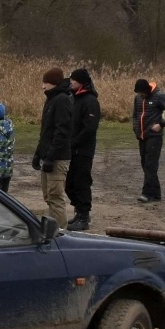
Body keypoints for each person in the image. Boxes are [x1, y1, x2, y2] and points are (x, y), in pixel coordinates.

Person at [31, 68, 74, 228]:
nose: (43, 86)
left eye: (46, 83)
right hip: (48, 155)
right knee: (49, 196)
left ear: (54, 83)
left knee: (55, 197)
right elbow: (46, 131)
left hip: (58, 158)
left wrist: (51, 157)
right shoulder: (51, 99)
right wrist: (38, 153)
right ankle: (53, 229)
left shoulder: (62, 100)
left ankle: (61, 233)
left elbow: (61, 131)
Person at [65, 68, 101, 232]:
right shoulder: (74, 98)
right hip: (72, 149)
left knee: (82, 183)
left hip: (83, 150)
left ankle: (83, 215)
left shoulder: (90, 100)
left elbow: (89, 128)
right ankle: (79, 210)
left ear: (81, 81)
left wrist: (74, 143)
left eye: (73, 79)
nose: (70, 81)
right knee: (69, 184)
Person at [133, 77, 165, 203]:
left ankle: (147, 193)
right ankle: (156, 193)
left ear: (147, 90)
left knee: (150, 164)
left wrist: (161, 124)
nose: (140, 95)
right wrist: (136, 128)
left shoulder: (160, 96)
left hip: (154, 136)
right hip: (141, 136)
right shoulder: (138, 98)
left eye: (141, 92)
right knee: (145, 164)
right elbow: (135, 115)